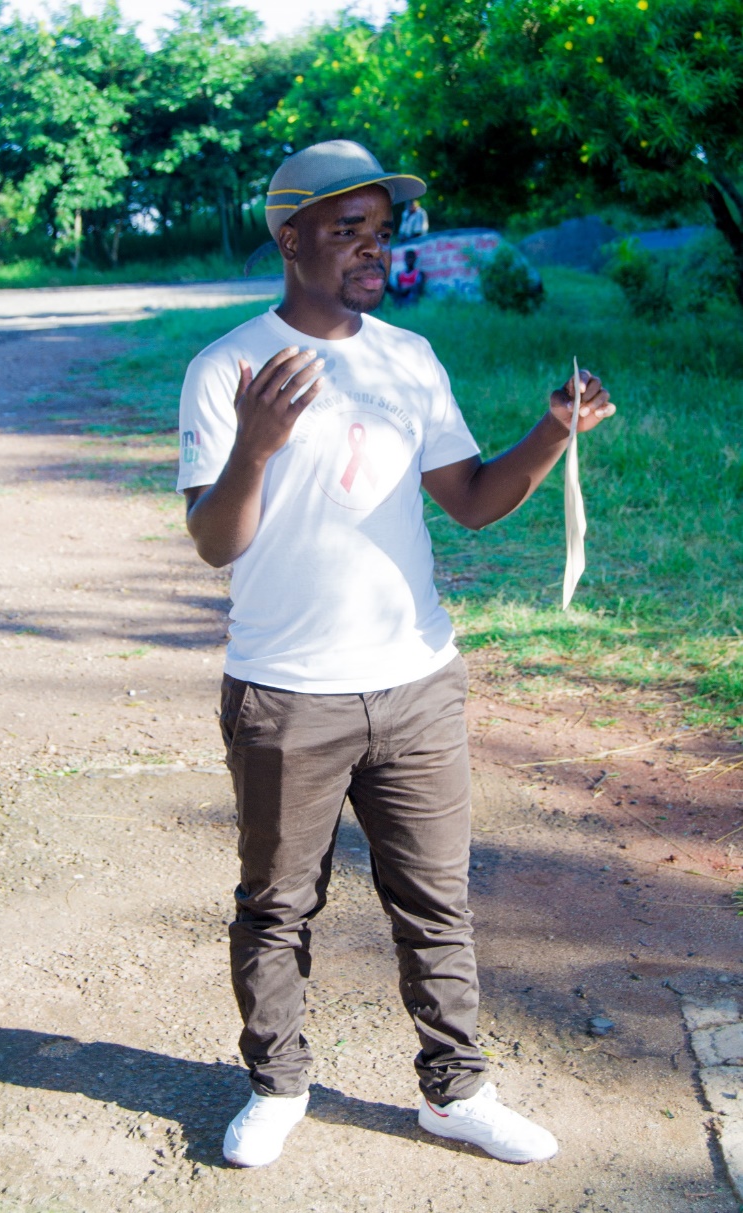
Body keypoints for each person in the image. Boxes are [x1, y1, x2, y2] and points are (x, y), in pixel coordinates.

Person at [179, 139, 615, 1170]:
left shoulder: (410, 357)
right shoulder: (227, 366)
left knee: (436, 899)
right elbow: (214, 543)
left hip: (416, 680)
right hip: (288, 693)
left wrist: (551, 434)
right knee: (278, 904)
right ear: (290, 239)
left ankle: (455, 1091)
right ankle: (278, 1084)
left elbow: (467, 501)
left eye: (383, 229)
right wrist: (253, 444)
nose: (374, 249)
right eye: (347, 230)